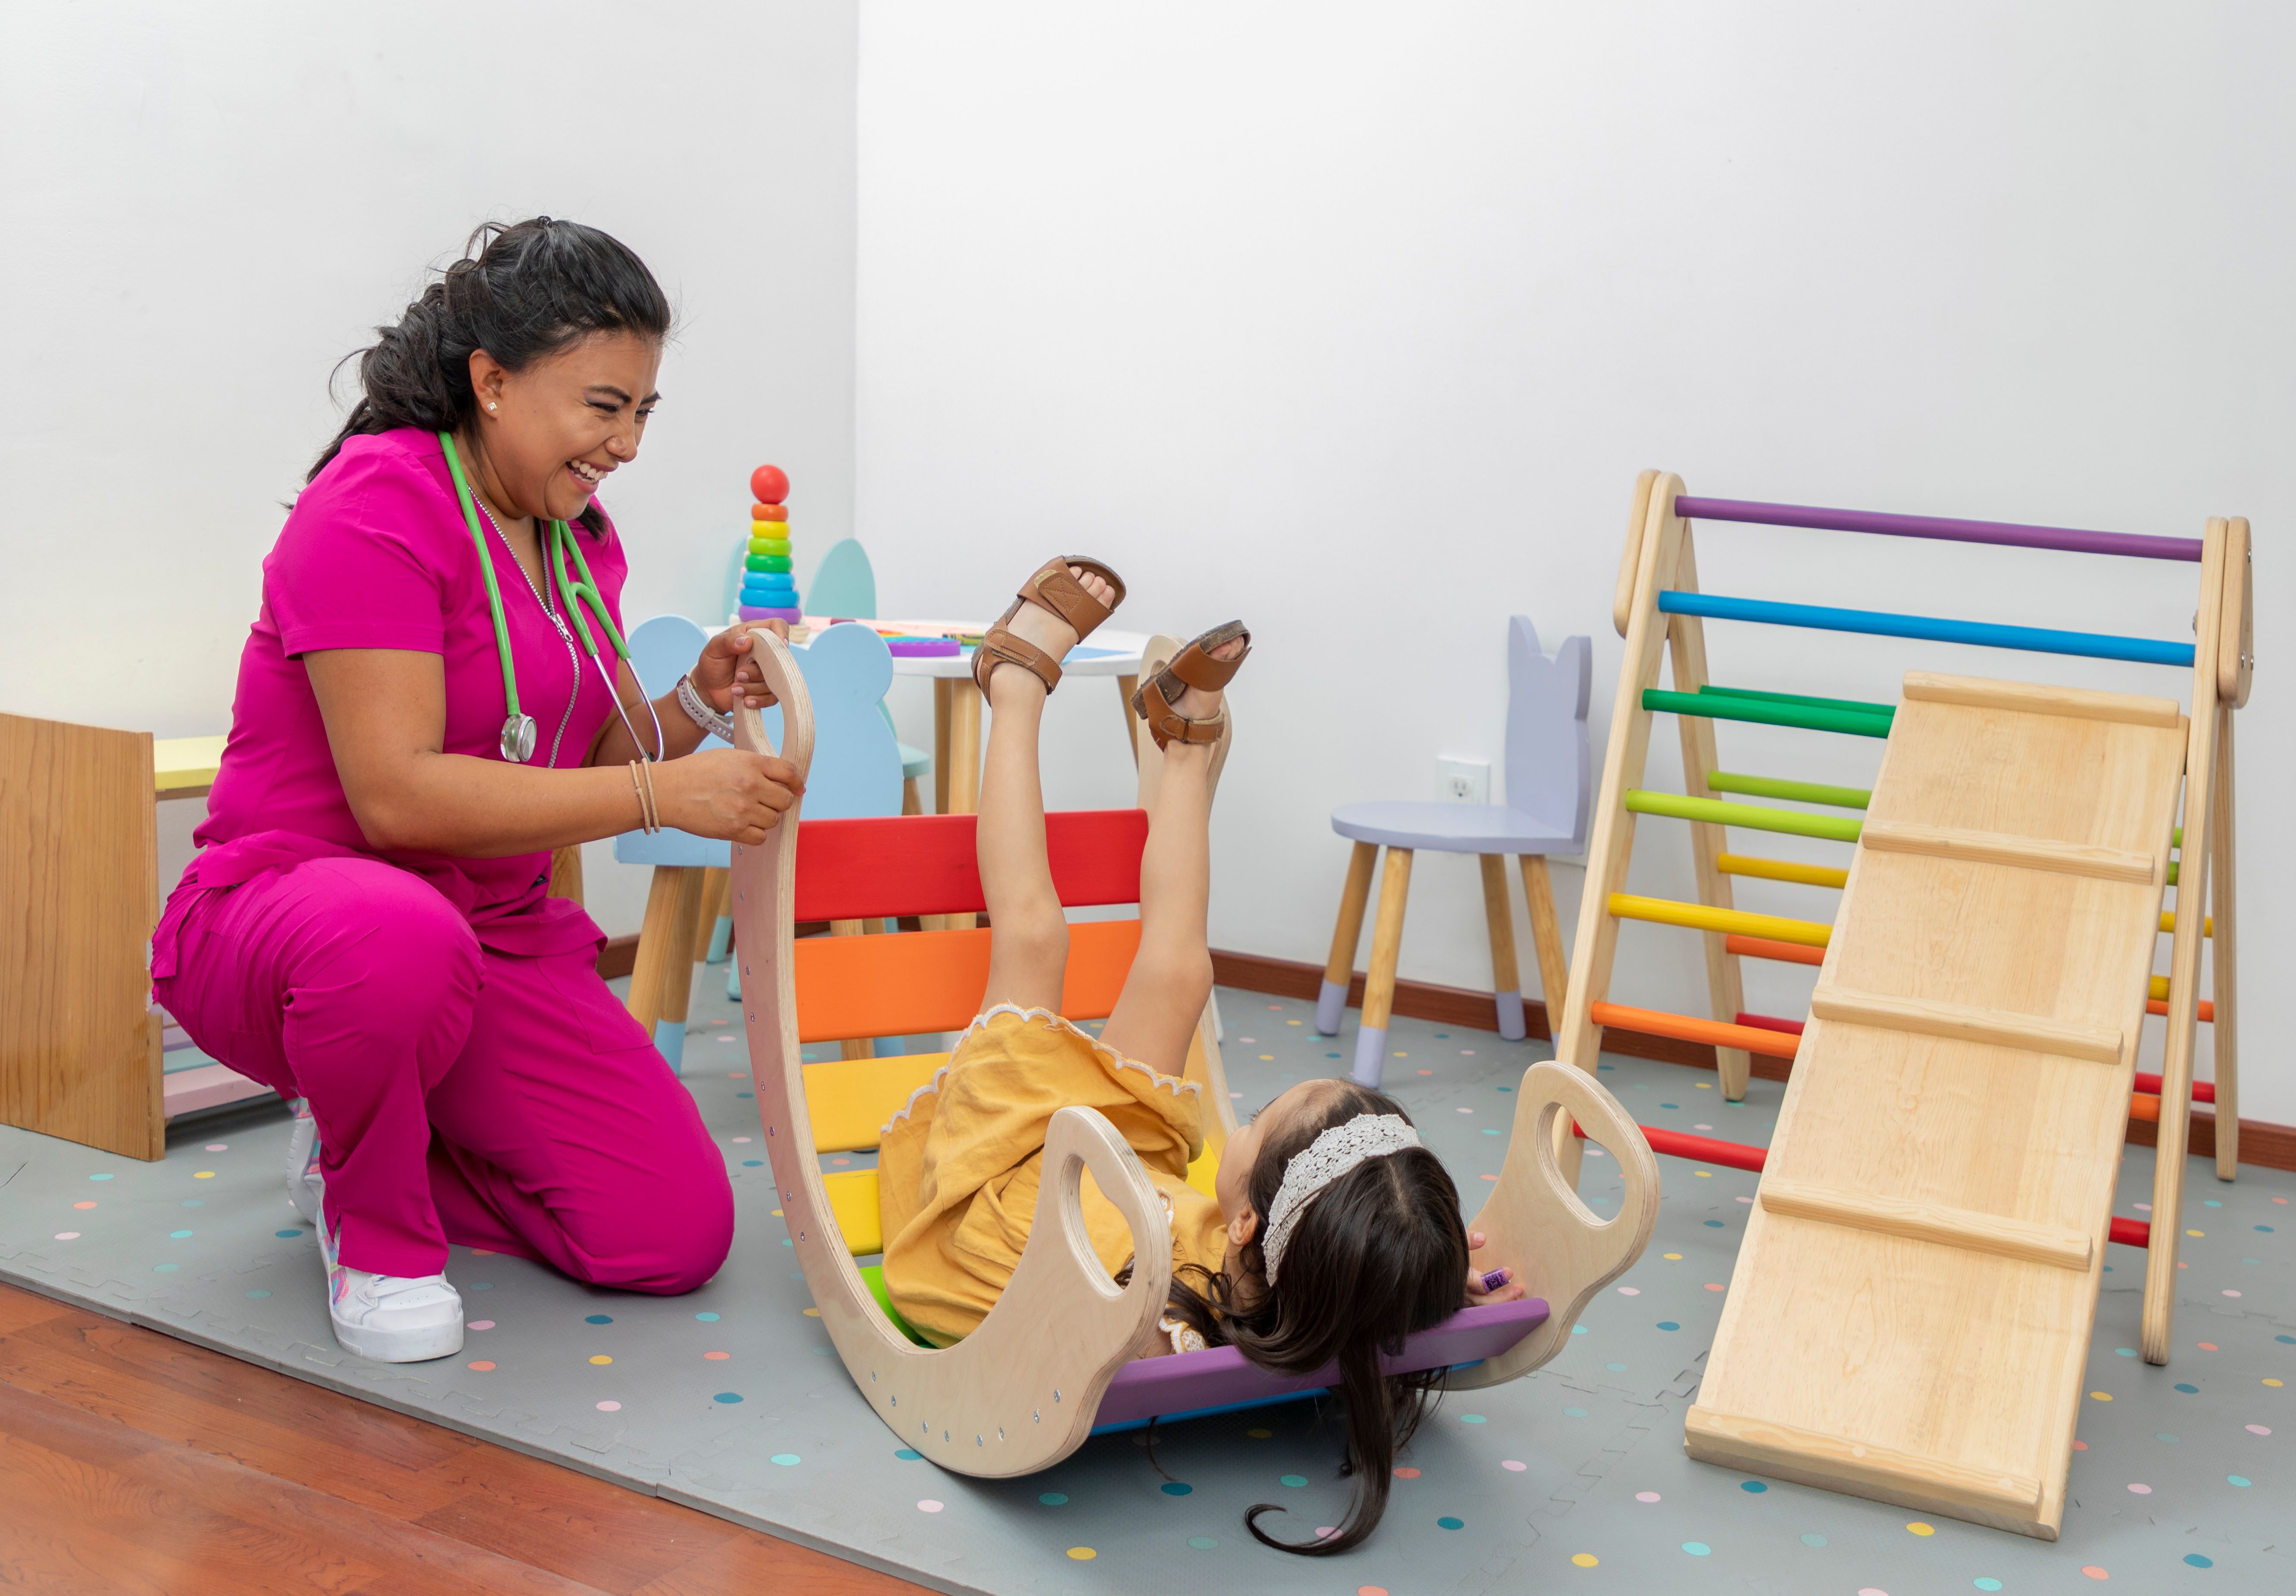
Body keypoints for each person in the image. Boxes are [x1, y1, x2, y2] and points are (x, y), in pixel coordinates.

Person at [150, 219, 805, 1363]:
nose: (629, 444)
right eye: (604, 405)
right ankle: (376, 1230)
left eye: (645, 411)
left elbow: (583, 766)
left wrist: (692, 708)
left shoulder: (577, 537)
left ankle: (364, 1134)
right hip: (295, 915)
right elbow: (400, 802)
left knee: (670, 1232)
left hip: (488, 935)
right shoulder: (373, 508)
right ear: (493, 382)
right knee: (394, 932)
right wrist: (666, 797)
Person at [877, 558, 1523, 1554]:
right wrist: (1424, 1277)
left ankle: (1009, 683)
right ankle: (1177, 750)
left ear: (1250, 1219)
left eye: (1255, 1121)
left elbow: (1117, 1332)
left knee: (1036, 934)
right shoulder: (1305, 1276)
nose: (1244, 1114)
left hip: (996, 1198)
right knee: (1181, 970)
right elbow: (1372, 1291)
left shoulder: (1167, 1326)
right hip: (1117, 1187)